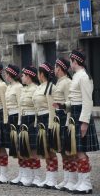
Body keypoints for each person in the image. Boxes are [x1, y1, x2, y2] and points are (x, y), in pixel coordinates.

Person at [55, 50, 99, 194]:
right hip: (74, 114)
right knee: (75, 150)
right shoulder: (76, 76)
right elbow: (74, 99)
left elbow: (87, 101)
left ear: (75, 61)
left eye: (71, 61)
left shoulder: (84, 77)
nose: (70, 64)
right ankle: (80, 181)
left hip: (80, 115)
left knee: (80, 152)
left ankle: (86, 184)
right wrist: (64, 105)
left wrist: (85, 122)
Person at [32, 62, 57, 188]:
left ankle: (52, 178)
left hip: (48, 118)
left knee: (50, 150)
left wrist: (51, 125)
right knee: (45, 150)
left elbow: (52, 108)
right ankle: (48, 177)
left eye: (38, 73)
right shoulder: (39, 87)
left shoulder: (50, 87)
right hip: (40, 119)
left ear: (41, 74)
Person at [52, 58, 72, 190]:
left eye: (55, 67)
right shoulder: (58, 82)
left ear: (59, 68)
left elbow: (69, 103)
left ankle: (72, 179)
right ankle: (66, 179)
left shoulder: (67, 83)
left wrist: (67, 123)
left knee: (69, 151)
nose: (54, 69)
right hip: (57, 117)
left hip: (64, 117)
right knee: (62, 151)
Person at [18, 66, 40, 187]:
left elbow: (36, 107)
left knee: (33, 149)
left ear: (29, 76)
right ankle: (28, 176)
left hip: (32, 119)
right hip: (24, 119)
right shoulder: (23, 89)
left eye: (23, 75)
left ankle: (36, 177)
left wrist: (35, 122)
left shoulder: (36, 88)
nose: (21, 77)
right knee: (24, 148)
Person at [4, 64, 23, 185]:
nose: (5, 75)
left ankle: (24, 174)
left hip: (17, 117)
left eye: (6, 73)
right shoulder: (9, 87)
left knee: (20, 145)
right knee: (16, 146)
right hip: (11, 116)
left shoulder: (18, 87)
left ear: (11, 74)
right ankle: (21, 173)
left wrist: (20, 121)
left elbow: (21, 105)